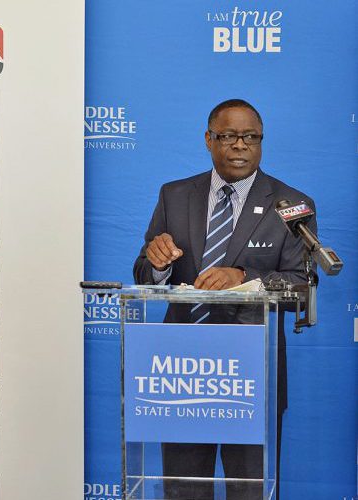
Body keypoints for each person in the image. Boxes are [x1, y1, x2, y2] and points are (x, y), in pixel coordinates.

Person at [133, 99, 317, 499]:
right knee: (183, 490)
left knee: (249, 490)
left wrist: (244, 278)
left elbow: (302, 285)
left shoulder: (291, 205)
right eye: (229, 135)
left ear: (261, 141)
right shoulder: (174, 195)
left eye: (251, 137)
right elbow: (144, 272)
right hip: (181, 372)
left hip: (251, 373)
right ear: (209, 139)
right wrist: (157, 262)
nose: (240, 145)